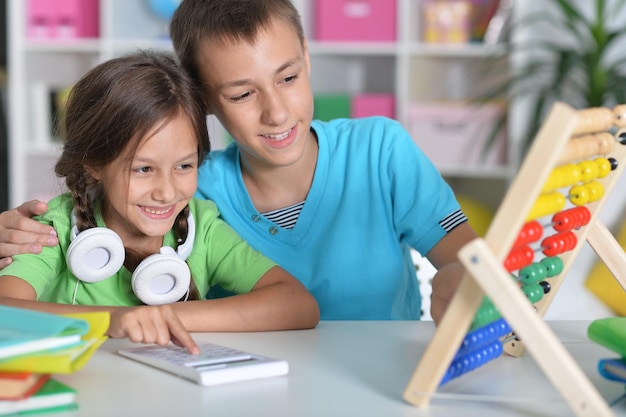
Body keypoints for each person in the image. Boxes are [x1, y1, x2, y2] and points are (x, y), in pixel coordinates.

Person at [0, 0, 476, 324]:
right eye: (243, 93)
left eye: (288, 77)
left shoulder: (381, 149)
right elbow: (106, 190)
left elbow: (467, 262)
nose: (276, 111)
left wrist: (461, 278)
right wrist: (15, 229)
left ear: (307, 58)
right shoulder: (188, 187)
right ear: (202, 98)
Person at [0, 50, 320, 353]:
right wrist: (111, 320)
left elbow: (298, 304)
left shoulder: (203, 228)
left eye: (184, 166)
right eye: (143, 169)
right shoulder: (55, 227)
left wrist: (167, 317)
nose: (166, 192)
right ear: (94, 164)